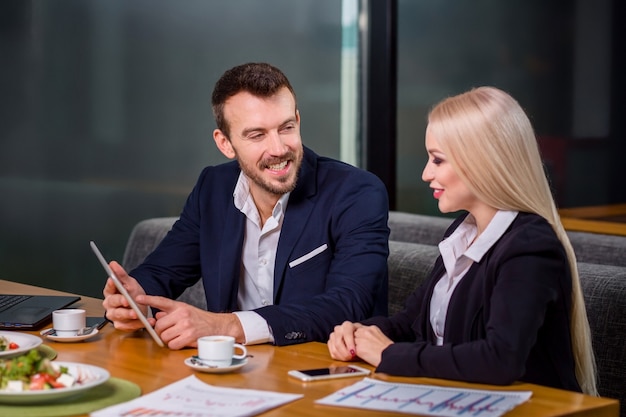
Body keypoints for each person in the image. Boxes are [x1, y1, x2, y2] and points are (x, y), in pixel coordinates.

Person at [327, 86, 598, 395]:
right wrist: (363, 333)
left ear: (482, 161)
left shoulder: (530, 246)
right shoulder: (462, 233)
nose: (426, 174)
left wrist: (389, 355)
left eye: (438, 160)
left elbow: (499, 360)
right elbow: (411, 322)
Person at [103, 62, 389, 349]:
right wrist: (134, 298)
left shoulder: (356, 193)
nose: (278, 149)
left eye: (286, 128)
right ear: (225, 143)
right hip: (230, 370)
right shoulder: (213, 187)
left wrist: (226, 326)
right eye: (257, 135)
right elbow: (164, 271)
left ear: (298, 121)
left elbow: (349, 305)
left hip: (324, 372)